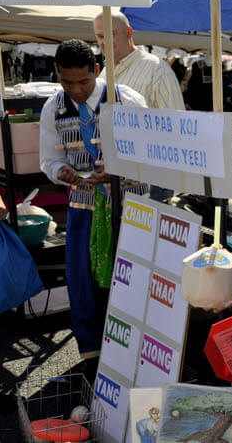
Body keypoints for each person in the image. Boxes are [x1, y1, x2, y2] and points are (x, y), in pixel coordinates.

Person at [39, 39, 147, 361]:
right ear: (57, 73)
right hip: (83, 208)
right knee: (82, 279)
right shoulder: (52, 108)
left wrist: (116, 171)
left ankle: (130, 355)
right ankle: (91, 354)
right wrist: (62, 172)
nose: (75, 89)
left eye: (83, 82)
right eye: (67, 82)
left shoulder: (127, 101)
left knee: (128, 278)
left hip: (129, 206)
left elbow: (148, 157)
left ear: (97, 71)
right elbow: (48, 159)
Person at [93, 11, 184, 202]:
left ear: (128, 32)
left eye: (111, 35)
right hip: (116, 181)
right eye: (100, 36)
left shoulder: (156, 70)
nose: (104, 42)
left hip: (151, 182)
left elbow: (177, 127)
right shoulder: (105, 72)